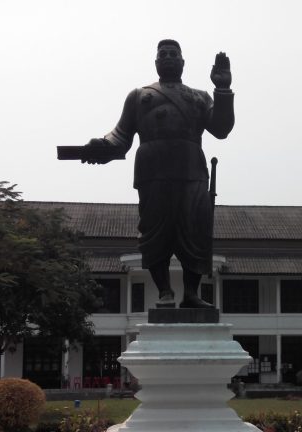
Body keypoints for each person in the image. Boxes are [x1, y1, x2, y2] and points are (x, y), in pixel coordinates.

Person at [84, 39, 234, 308]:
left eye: (173, 54)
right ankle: (164, 291)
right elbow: (120, 135)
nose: (167, 57)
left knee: (195, 230)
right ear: (155, 62)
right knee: (155, 231)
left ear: (182, 62)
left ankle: (191, 293)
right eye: (162, 54)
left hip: (191, 170)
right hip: (153, 171)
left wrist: (222, 89)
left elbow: (221, 129)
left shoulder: (200, 97)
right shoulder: (139, 96)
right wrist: (102, 146)